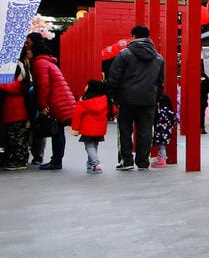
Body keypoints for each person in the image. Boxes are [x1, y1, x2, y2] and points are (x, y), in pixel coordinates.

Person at [105, 25, 164, 171]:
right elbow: (160, 81)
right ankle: (143, 162)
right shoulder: (158, 58)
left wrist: (112, 95)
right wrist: (156, 98)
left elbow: (114, 77)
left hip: (126, 99)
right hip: (148, 99)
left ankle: (127, 161)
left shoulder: (124, 54)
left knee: (125, 129)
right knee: (145, 130)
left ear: (133, 36)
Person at [28, 36, 76, 170]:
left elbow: (43, 85)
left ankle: (56, 161)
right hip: (61, 99)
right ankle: (56, 160)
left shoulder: (39, 63)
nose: (27, 52)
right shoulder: (48, 61)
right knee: (58, 131)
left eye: (29, 50)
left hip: (56, 101)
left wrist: (42, 105)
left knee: (57, 132)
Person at [70, 79, 110, 174]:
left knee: (89, 146)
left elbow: (77, 115)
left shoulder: (84, 101)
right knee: (94, 145)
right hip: (100, 128)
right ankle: (90, 163)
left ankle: (96, 164)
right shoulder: (104, 100)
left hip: (88, 128)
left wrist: (75, 129)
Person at [0, 72, 30, 171]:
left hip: (16, 115)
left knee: (18, 139)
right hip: (13, 115)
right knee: (15, 139)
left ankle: (20, 161)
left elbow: (12, 88)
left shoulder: (17, 80)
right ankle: (17, 159)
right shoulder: (14, 79)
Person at [150, 93, 177, 168]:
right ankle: (161, 158)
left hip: (161, 132)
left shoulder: (162, 111)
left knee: (161, 147)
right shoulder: (170, 112)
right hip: (167, 132)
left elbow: (156, 117)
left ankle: (162, 160)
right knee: (162, 146)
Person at [199, 66, 209, 133]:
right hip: (203, 98)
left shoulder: (205, 77)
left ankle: (201, 127)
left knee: (200, 113)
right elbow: (208, 89)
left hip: (201, 98)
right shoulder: (205, 76)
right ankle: (201, 127)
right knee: (201, 113)